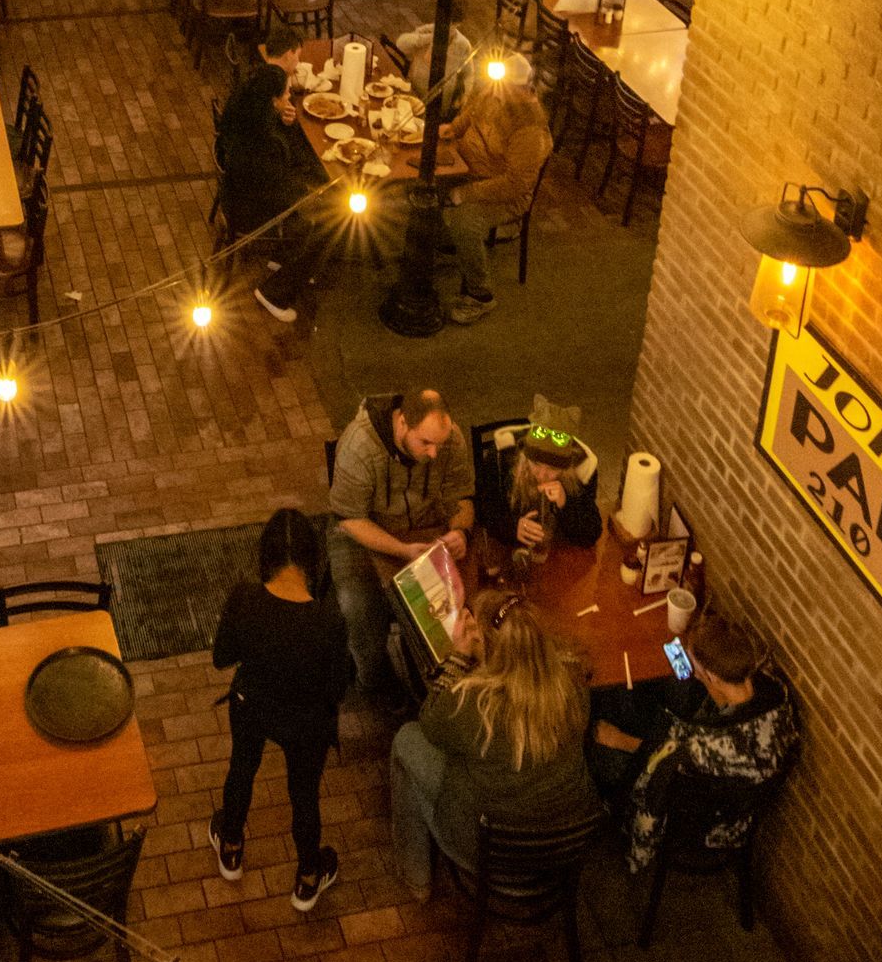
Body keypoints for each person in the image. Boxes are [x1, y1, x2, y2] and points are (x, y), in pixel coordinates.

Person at [388, 586, 596, 899]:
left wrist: (459, 656)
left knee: (407, 739)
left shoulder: (474, 705)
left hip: (489, 852)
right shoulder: (574, 682)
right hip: (564, 847)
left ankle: (416, 877)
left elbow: (430, 721)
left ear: (492, 649)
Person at [209, 508, 355, 913]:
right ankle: (308, 878)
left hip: (252, 707)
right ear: (312, 558)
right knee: (303, 795)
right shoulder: (328, 620)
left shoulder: (244, 599)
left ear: (265, 555)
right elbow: (337, 687)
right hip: (307, 724)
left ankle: (232, 847)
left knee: (242, 767)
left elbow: (222, 658)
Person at [586, 606, 799, 873]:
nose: (693, 670)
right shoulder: (772, 687)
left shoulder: (705, 745)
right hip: (726, 787)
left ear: (711, 676)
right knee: (668, 687)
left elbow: (659, 762)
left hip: (704, 823)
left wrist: (616, 739)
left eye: (697, 669)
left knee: (600, 750)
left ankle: (605, 816)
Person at [326, 388, 474, 697]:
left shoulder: (450, 439)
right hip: (364, 532)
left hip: (425, 529)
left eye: (440, 444)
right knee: (359, 610)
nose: (434, 453)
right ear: (403, 423)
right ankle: (375, 679)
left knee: (459, 606)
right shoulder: (358, 446)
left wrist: (461, 531)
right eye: (426, 443)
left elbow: (461, 495)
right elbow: (349, 517)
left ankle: (442, 684)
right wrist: (401, 550)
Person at [216, 29, 333, 325]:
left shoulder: (252, 109)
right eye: (284, 95)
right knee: (325, 217)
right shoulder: (262, 144)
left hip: (241, 184)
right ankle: (274, 293)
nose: (289, 95)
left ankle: (284, 257)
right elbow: (277, 174)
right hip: (250, 200)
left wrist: (282, 117)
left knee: (317, 191)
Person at [437, 52, 552, 309]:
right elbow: (472, 113)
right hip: (468, 167)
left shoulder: (529, 129)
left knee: (464, 222)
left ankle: (480, 295)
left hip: (502, 193)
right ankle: (442, 243)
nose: (494, 91)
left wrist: (466, 193)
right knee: (423, 182)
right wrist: (453, 129)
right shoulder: (496, 91)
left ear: (520, 89)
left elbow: (516, 184)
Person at [476, 421, 603, 561]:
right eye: (536, 464)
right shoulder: (502, 457)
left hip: (556, 556)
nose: (542, 475)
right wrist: (511, 527)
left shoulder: (583, 469)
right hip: (509, 551)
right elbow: (482, 510)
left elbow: (592, 534)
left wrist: (566, 504)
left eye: (553, 468)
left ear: (566, 468)